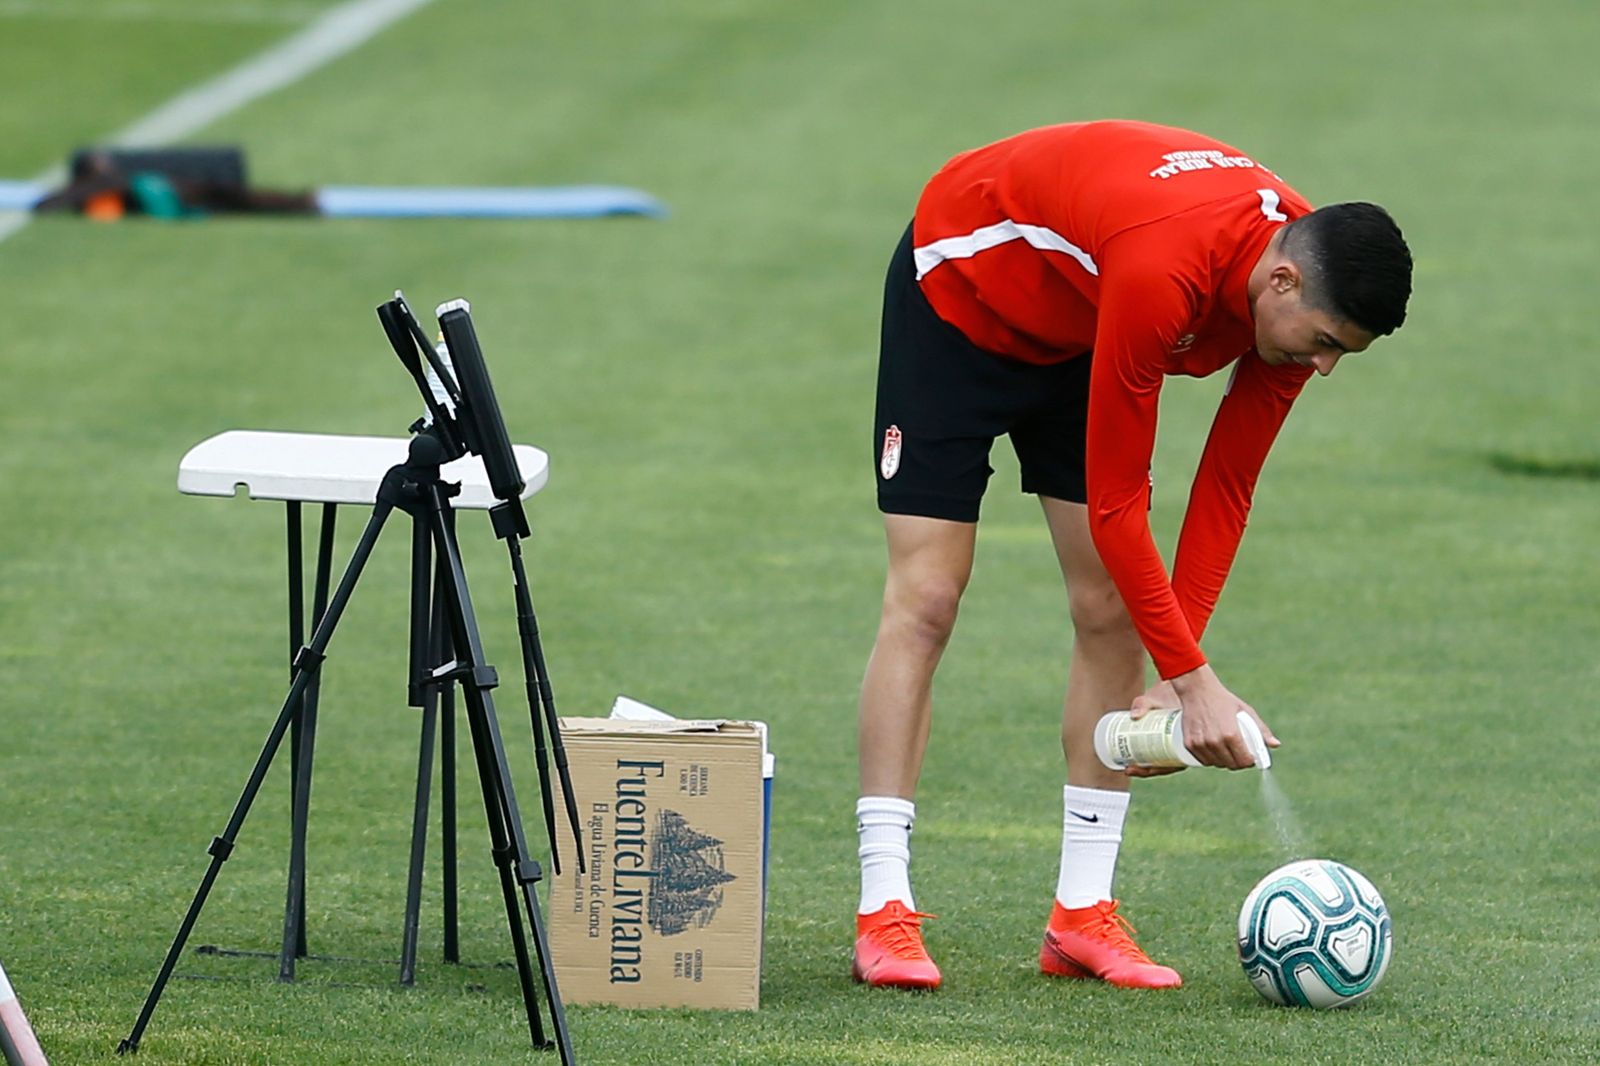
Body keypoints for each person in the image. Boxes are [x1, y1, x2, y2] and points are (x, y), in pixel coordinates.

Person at [852, 119, 1412, 991]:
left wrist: (1173, 661)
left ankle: (1082, 914)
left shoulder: (1294, 286)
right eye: (1328, 342)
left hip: (1081, 323)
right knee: (928, 597)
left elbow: (1228, 486)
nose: (1326, 366)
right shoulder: (1169, 267)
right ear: (1283, 277)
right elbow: (1118, 509)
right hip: (959, 298)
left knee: (1112, 605)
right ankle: (882, 906)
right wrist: (1194, 681)